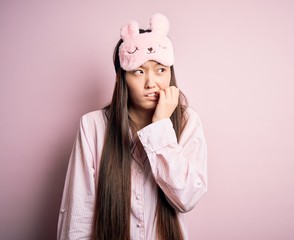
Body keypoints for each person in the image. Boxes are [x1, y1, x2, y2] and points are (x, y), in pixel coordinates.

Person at [57, 13, 207, 240]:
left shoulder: (187, 122)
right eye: (139, 71)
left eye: (160, 70)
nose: (151, 83)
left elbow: (186, 197)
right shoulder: (93, 126)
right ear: (120, 77)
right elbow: (79, 214)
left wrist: (161, 127)